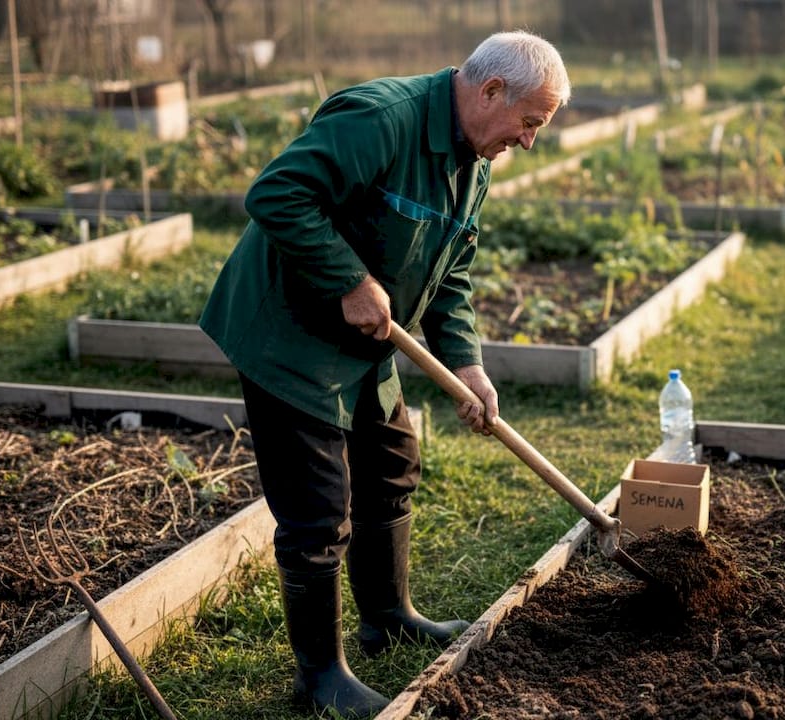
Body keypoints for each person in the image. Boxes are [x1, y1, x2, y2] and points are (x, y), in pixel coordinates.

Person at [199, 30, 570, 718]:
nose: (529, 141)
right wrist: (348, 278)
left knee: (391, 460)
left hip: (361, 342)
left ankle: (387, 615)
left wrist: (468, 365)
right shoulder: (383, 119)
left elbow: (451, 273)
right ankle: (319, 679)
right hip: (290, 331)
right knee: (317, 509)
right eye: (530, 123)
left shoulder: (474, 159)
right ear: (492, 92)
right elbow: (276, 194)